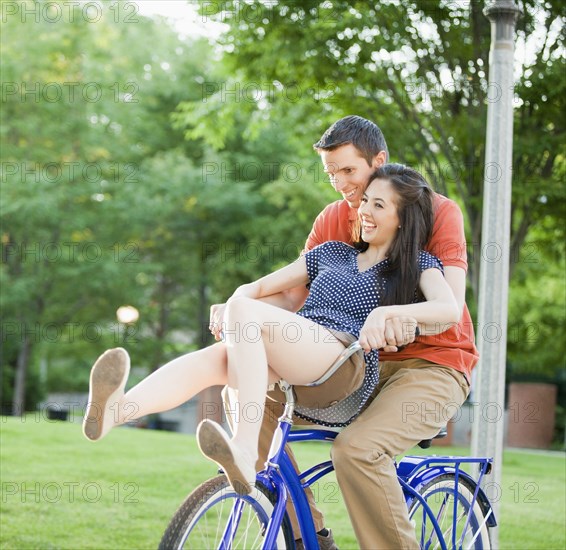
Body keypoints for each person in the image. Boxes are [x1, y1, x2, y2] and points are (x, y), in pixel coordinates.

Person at [83, 163, 459, 501]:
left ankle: (245, 452)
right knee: (213, 359)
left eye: (380, 205)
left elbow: (448, 309)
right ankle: (117, 411)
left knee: (248, 313)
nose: (365, 211)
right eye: (366, 202)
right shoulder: (331, 253)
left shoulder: (416, 265)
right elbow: (256, 289)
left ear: (402, 218)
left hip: (344, 363)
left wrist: (388, 313)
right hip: (302, 354)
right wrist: (231, 303)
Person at [213, 115, 478, 549]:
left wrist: (394, 317)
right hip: (351, 364)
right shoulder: (332, 222)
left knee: (356, 450)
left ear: (379, 160)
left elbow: (447, 307)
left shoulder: (438, 211)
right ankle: (305, 536)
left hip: (430, 365)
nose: (339, 184)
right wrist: (240, 311)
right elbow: (295, 300)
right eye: (331, 173)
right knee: (245, 393)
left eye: (349, 171)